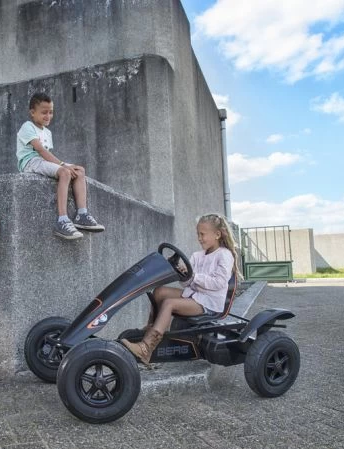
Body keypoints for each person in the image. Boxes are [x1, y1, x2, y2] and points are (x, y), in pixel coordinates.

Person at [121, 213, 240, 365]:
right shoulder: (197, 256)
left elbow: (219, 282)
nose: (199, 238)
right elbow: (186, 284)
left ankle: (146, 348)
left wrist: (194, 276)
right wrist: (183, 274)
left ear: (217, 234)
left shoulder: (224, 255)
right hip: (195, 295)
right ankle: (151, 330)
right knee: (159, 292)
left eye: (203, 234)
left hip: (209, 303)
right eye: (198, 234)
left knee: (169, 303)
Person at [16, 92, 105, 240]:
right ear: (32, 112)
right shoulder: (27, 126)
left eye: (51, 112)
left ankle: (82, 214)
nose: (48, 116)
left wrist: (63, 165)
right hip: (31, 162)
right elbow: (40, 150)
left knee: (79, 170)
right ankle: (62, 220)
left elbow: (47, 155)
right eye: (44, 112)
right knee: (65, 172)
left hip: (43, 161)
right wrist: (62, 165)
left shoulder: (47, 132)